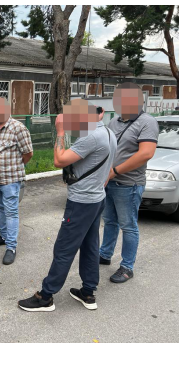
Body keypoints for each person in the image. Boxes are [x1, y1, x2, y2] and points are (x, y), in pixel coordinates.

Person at [18, 100, 117, 312]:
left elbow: (58, 160)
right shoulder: (108, 133)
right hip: (97, 198)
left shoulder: (91, 136)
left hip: (81, 202)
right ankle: (88, 292)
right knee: (90, 246)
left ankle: (46, 296)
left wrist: (60, 132)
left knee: (64, 248)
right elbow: (106, 168)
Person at [99, 82, 158, 283]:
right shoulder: (114, 122)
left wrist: (114, 171)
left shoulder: (147, 122)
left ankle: (127, 266)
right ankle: (105, 254)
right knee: (109, 222)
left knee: (128, 225)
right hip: (109, 183)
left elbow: (146, 154)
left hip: (129, 185)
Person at [0, 97, 33, 265]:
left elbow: (28, 153)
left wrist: (15, 167)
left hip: (10, 179)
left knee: (11, 212)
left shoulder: (18, 128)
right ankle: (4, 236)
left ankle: (11, 247)